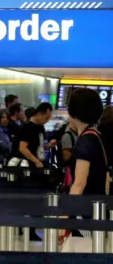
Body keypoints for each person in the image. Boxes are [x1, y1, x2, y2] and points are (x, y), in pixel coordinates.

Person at [64, 88, 109, 241]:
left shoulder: (85, 141)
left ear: (73, 113)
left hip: (84, 214)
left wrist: (65, 217)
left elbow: (79, 184)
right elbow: (106, 177)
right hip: (98, 211)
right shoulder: (97, 136)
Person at [13, 103, 55, 169]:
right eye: (46, 118)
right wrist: (36, 161)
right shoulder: (27, 128)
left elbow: (38, 146)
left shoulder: (41, 127)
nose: (47, 121)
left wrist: (49, 145)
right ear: (39, 114)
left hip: (40, 164)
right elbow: (22, 148)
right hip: (28, 166)